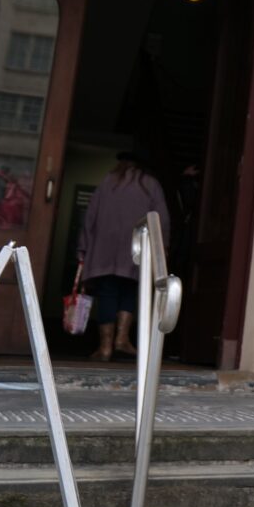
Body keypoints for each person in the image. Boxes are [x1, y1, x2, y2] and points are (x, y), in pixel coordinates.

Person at [75, 154, 170, 362]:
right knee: (129, 291)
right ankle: (122, 339)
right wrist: (162, 248)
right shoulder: (150, 185)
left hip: (103, 250)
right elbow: (160, 220)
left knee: (107, 294)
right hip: (135, 249)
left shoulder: (107, 182)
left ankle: (105, 347)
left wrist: (83, 247)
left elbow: (90, 217)